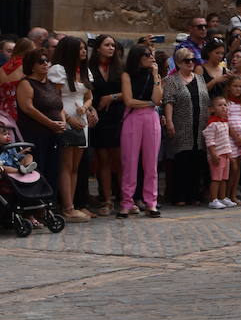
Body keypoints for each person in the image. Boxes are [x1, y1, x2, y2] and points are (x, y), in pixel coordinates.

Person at [48, 36, 95, 223]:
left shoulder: (84, 71)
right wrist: (69, 119)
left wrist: (86, 107)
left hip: (81, 118)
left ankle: (72, 205)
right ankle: (66, 207)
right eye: (80, 48)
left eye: (85, 48)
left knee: (76, 166)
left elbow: (89, 95)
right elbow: (55, 98)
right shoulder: (59, 70)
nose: (84, 52)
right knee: (66, 166)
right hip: (65, 117)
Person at [118, 44, 163, 219]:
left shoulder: (154, 76)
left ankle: (151, 202)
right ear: (137, 57)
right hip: (133, 118)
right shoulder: (126, 75)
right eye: (147, 55)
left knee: (151, 163)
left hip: (151, 119)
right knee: (129, 161)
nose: (151, 57)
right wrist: (150, 103)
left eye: (152, 54)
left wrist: (155, 76)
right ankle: (127, 202)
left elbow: (158, 99)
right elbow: (129, 101)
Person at [15, 47, 66, 193]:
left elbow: (59, 105)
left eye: (47, 60)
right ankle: (36, 207)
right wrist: (51, 124)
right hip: (35, 135)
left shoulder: (50, 83)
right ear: (32, 65)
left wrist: (62, 123)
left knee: (53, 170)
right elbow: (28, 108)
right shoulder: (26, 83)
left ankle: (50, 204)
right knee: (38, 170)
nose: (45, 64)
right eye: (41, 61)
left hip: (53, 135)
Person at [163, 46, 209, 206]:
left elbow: (205, 99)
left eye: (193, 60)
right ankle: (179, 195)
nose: (190, 63)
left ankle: (194, 194)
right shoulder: (171, 80)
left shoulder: (200, 78)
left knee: (197, 159)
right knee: (182, 160)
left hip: (200, 123)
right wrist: (169, 121)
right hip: (181, 124)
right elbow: (168, 101)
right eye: (186, 60)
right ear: (178, 62)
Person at [88, 35, 124, 216]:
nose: (111, 48)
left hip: (117, 116)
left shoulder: (120, 68)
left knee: (118, 160)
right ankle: (107, 199)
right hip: (98, 117)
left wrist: (113, 97)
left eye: (113, 45)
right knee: (103, 159)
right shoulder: (90, 68)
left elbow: (130, 92)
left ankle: (124, 197)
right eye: (107, 45)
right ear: (98, 48)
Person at [202, 96, 235, 209]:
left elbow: (226, 141)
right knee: (216, 178)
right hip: (217, 155)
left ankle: (223, 198)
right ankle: (213, 199)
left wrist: (229, 154)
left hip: (225, 154)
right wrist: (213, 154)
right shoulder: (212, 124)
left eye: (225, 105)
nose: (223, 107)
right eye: (220, 105)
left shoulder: (225, 123)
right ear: (212, 109)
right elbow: (209, 141)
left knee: (224, 179)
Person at [222, 75, 241, 205]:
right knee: (231, 166)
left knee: (238, 167)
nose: (238, 89)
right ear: (228, 88)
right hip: (230, 138)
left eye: (240, 86)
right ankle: (225, 195)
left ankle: (233, 195)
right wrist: (235, 136)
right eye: (235, 86)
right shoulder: (226, 103)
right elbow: (225, 121)